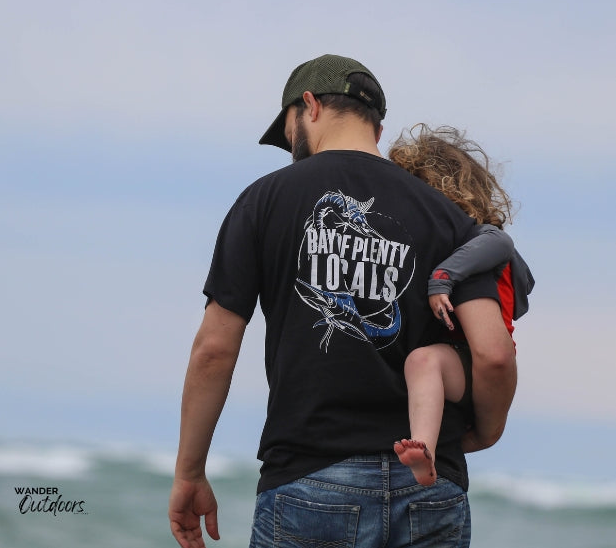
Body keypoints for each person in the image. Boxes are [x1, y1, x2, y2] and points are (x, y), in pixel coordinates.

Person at [168, 55, 517, 548]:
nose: (291, 146)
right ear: (375, 123)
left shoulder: (263, 201)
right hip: (431, 488)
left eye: (288, 130)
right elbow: (494, 353)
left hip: (309, 479)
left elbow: (214, 350)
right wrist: (486, 432)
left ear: (308, 106)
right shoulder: (450, 218)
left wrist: (189, 472)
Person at [388, 124, 534, 485]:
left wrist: (443, 277)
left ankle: (426, 450)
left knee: (423, 361)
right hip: (461, 360)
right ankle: (425, 453)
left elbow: (500, 243)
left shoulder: (483, 237)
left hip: (473, 361)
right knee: (424, 362)